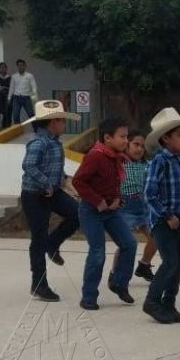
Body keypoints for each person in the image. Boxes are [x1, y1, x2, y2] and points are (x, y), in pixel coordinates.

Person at [142, 107, 180, 324]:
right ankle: (152, 301)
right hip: (163, 221)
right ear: (166, 139)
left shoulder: (177, 161)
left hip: (178, 220)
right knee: (170, 262)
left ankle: (169, 303)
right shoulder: (160, 160)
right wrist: (167, 216)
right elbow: (150, 193)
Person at [19, 100, 81, 301]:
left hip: (52, 192)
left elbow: (53, 168)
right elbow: (28, 165)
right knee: (38, 238)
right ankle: (39, 284)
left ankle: (52, 244)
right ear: (52, 122)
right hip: (35, 196)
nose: (64, 124)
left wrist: (65, 181)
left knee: (78, 213)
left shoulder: (55, 142)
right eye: (62, 121)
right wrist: (46, 183)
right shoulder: (39, 142)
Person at [72, 118, 137, 310]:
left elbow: (112, 182)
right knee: (98, 251)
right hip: (91, 211)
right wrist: (98, 201)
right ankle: (89, 296)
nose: (126, 141)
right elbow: (78, 182)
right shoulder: (96, 156)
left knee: (130, 244)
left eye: (127, 137)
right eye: (122, 137)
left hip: (111, 210)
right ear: (107, 138)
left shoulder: (115, 156)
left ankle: (119, 283)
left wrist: (118, 199)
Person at [108, 129, 157, 284]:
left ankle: (144, 265)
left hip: (142, 207)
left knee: (156, 237)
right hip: (124, 207)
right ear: (127, 144)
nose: (139, 149)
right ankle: (114, 273)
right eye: (136, 145)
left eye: (142, 146)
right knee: (125, 243)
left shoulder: (147, 165)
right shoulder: (119, 163)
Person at [9, 59, 38, 126]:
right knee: (15, 115)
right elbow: (12, 88)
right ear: (17, 66)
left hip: (26, 97)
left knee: (31, 114)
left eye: (22, 65)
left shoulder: (29, 76)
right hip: (16, 97)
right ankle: (17, 130)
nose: (20, 67)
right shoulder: (14, 76)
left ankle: (36, 130)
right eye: (19, 65)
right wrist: (9, 98)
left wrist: (34, 97)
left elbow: (34, 87)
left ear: (25, 66)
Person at [0, 62, 12, 129]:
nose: (3, 69)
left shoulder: (10, 77)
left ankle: (6, 127)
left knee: (7, 112)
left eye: (4, 67)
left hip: (6, 97)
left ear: (6, 68)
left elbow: (11, 88)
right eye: (1, 68)